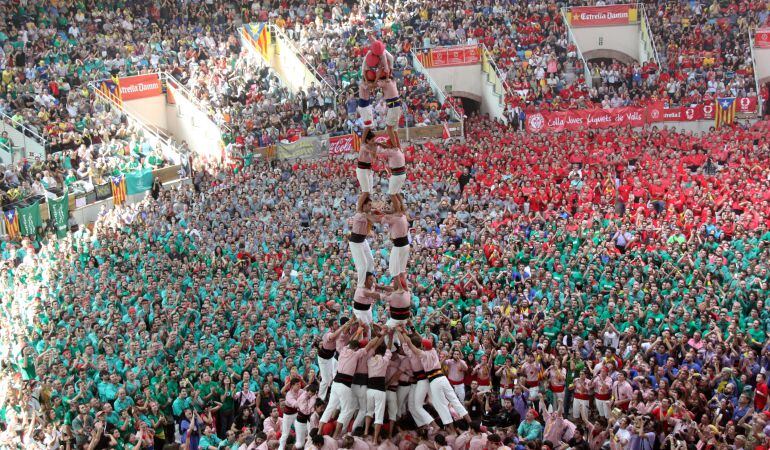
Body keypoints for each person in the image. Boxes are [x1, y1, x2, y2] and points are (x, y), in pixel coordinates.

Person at [399, 330, 470, 432]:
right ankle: (466, 423)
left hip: (429, 380)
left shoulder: (419, 353)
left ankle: (443, 427)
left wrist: (402, 332)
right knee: (450, 401)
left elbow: (409, 343)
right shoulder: (433, 351)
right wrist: (411, 329)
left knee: (428, 406)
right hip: (438, 378)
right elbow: (417, 341)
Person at [348, 196, 378, 287]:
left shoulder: (366, 213)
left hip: (363, 240)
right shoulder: (359, 215)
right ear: (364, 205)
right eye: (369, 205)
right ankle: (360, 286)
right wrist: (378, 211)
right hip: (355, 242)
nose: (370, 207)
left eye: (371, 205)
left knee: (371, 261)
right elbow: (373, 218)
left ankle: (368, 279)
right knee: (362, 265)